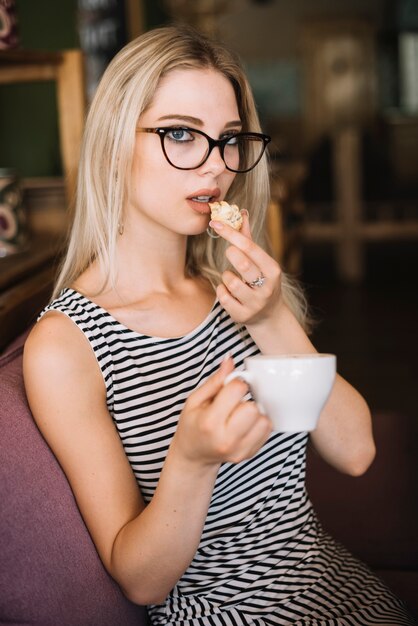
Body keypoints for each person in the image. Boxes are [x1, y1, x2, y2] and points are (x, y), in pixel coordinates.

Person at [23, 25, 414, 626]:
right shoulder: (65, 345)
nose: (215, 166)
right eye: (181, 134)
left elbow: (356, 450)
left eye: (229, 139)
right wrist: (191, 461)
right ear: (112, 142)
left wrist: (271, 316)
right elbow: (142, 581)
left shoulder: (230, 291)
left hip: (343, 591)